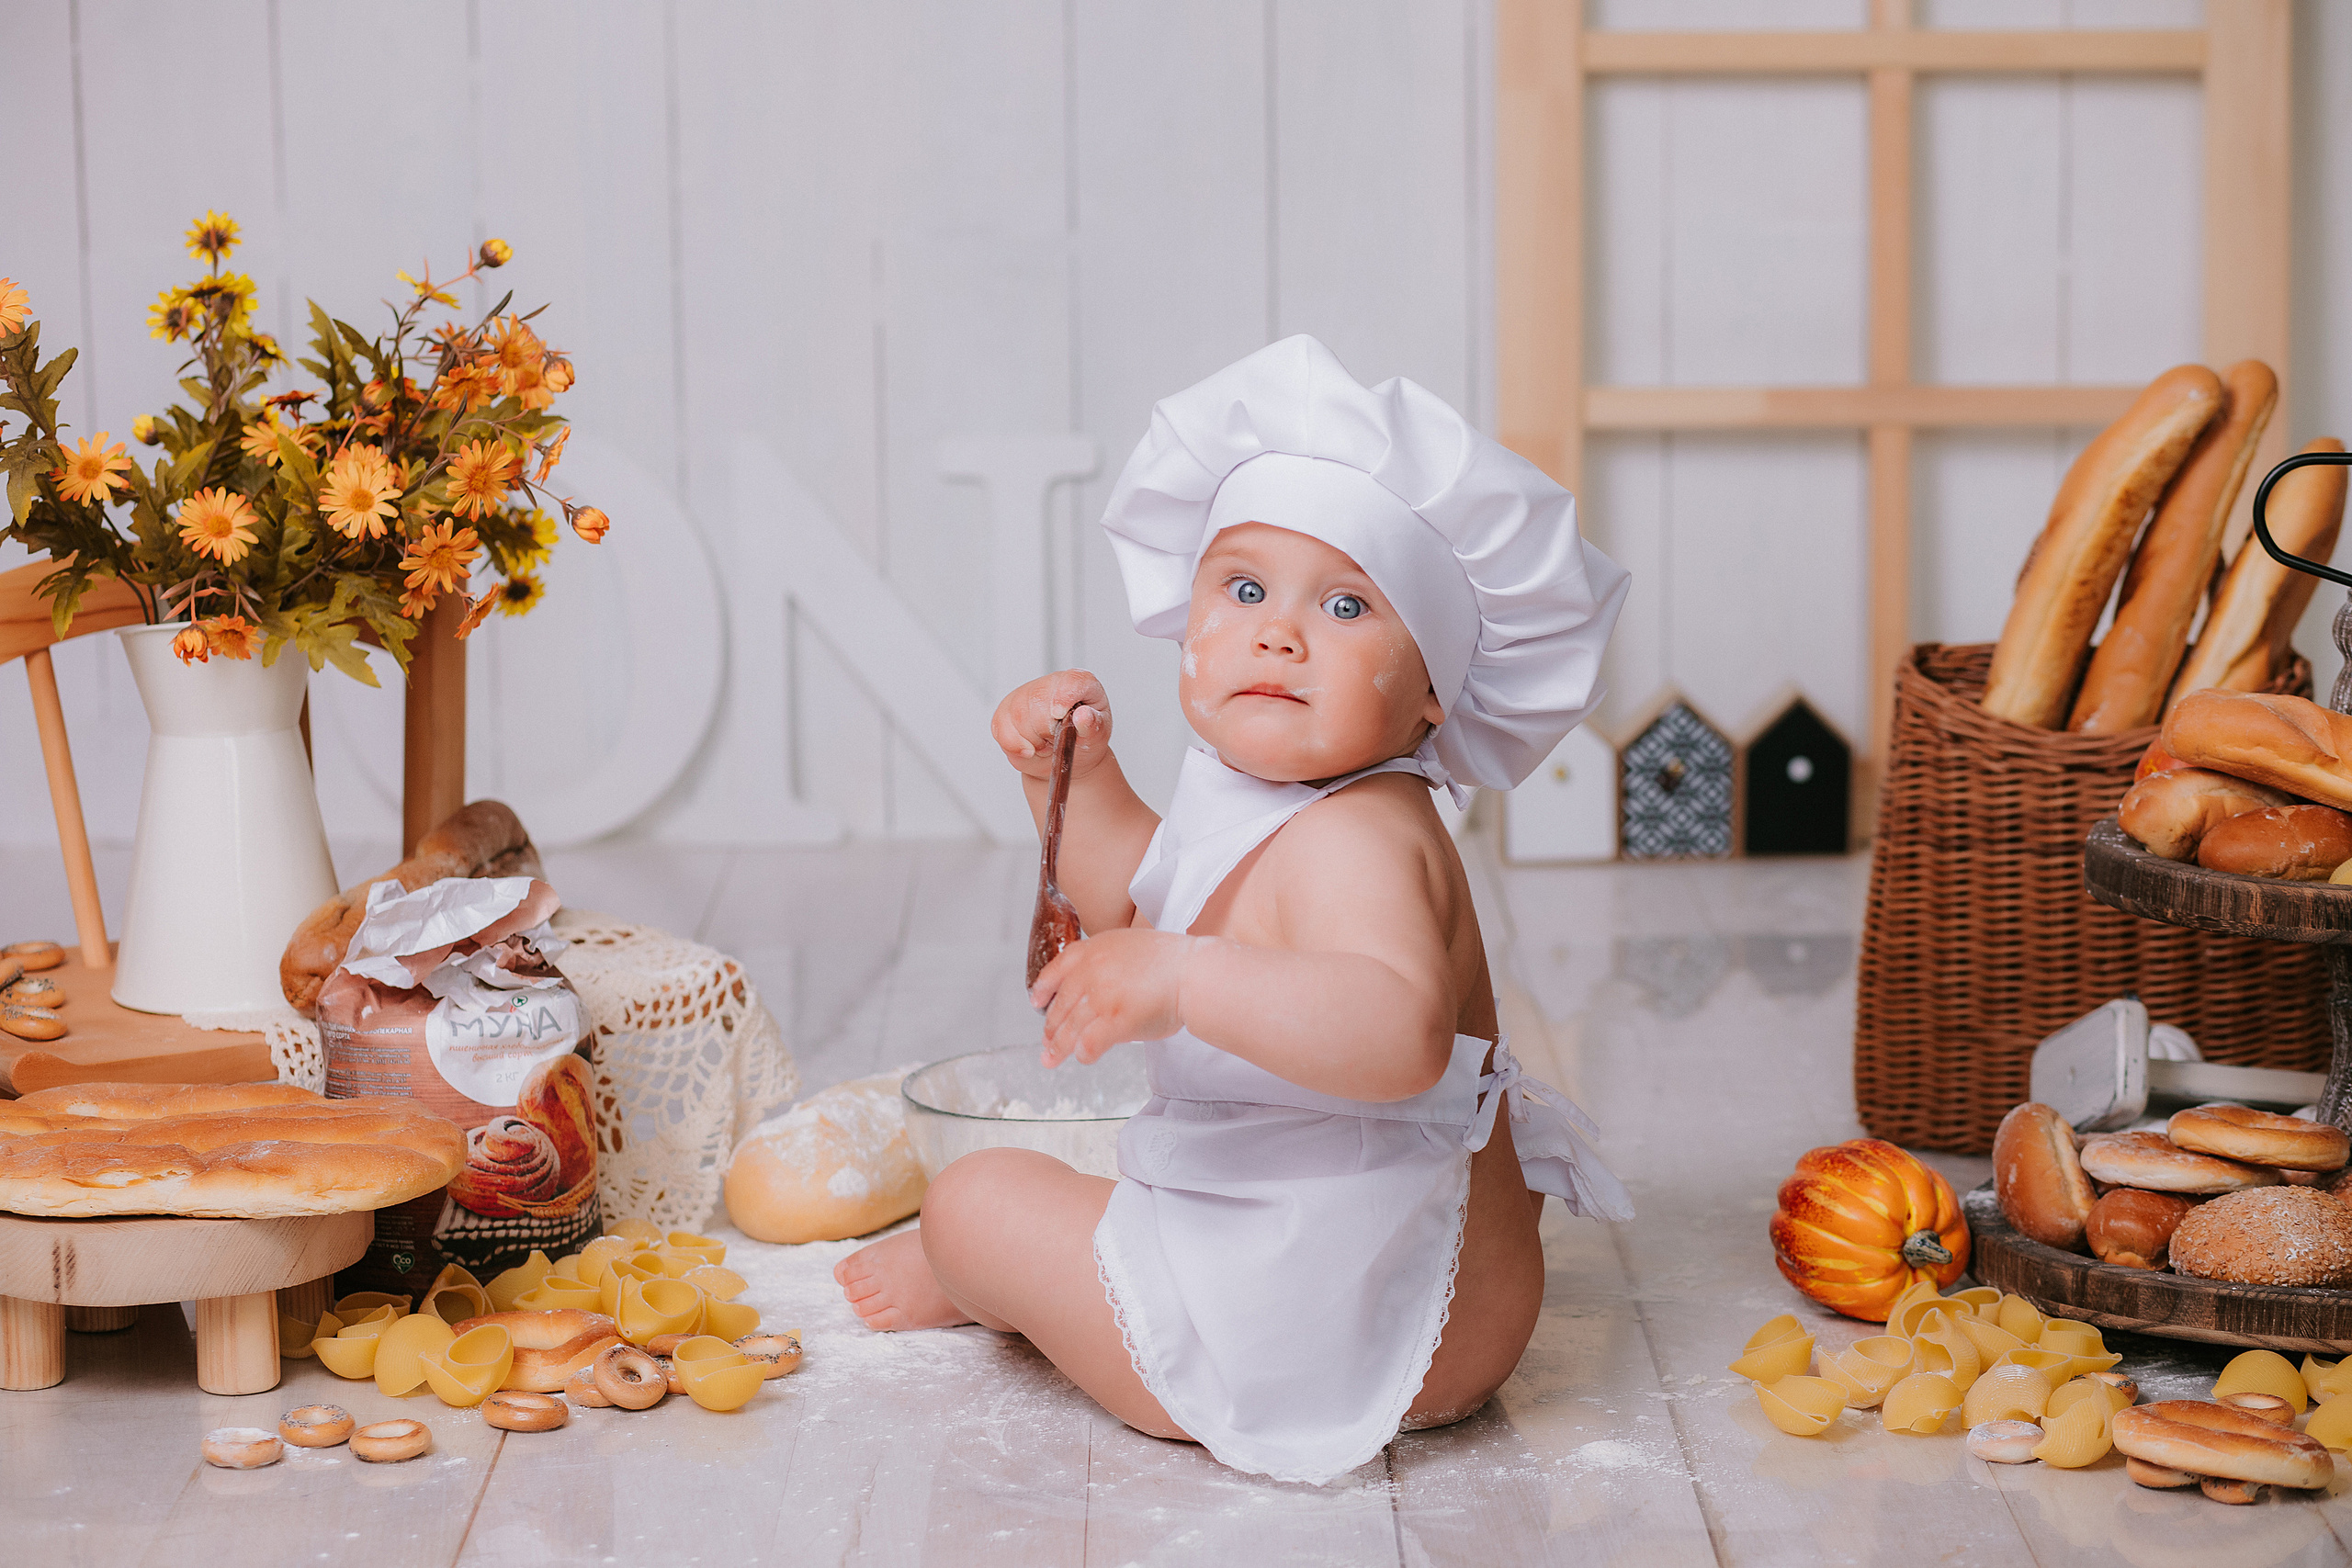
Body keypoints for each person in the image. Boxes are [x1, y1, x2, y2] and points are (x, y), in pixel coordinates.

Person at [835, 334, 1633, 1483]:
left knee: (975, 1200)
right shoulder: (1269, 795)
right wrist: (1072, 782)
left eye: (1347, 604)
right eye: (1245, 588)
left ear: (1429, 701)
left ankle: (976, 1279)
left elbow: (1397, 1030)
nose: (1277, 630)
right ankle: (1036, 1272)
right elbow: (1144, 893)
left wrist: (1181, 980)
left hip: (1330, 1308)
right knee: (1079, 1179)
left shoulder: (1368, 831)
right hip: (1369, 1274)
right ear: (1193, 613)